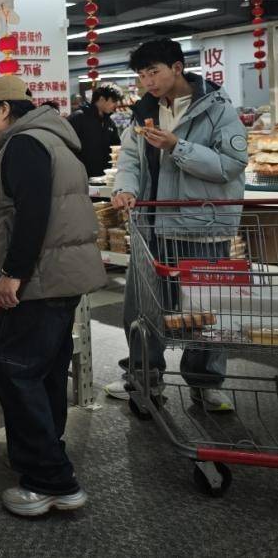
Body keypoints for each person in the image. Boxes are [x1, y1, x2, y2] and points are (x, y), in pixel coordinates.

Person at [0, 76, 107, 518]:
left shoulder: (25, 145)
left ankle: (51, 481)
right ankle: (42, 456)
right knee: (43, 374)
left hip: (39, 282)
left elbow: (33, 214)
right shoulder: (52, 140)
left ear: (4, 109)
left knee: (16, 374)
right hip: (57, 279)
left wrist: (13, 273)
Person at [105, 38, 248, 412]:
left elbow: (231, 165)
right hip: (151, 226)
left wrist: (176, 146)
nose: (148, 81)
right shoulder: (143, 111)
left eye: (154, 72)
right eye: (142, 75)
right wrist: (125, 189)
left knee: (206, 310)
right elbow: (130, 161)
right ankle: (144, 377)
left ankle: (206, 383)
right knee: (144, 310)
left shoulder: (216, 109)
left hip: (203, 226)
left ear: (178, 68)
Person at [68, 84, 123, 177]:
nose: (116, 105)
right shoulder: (78, 118)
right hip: (82, 176)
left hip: (105, 177)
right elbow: (67, 145)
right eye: (113, 101)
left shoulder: (110, 123)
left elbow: (116, 147)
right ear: (101, 99)